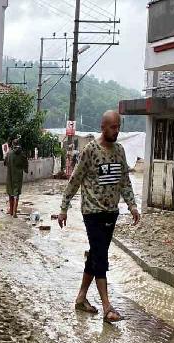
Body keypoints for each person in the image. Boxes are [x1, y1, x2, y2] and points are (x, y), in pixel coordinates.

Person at [57, 110, 140, 323]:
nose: (117, 130)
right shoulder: (90, 150)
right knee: (101, 256)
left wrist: (132, 206)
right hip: (92, 212)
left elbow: (124, 181)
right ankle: (107, 307)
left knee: (96, 255)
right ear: (103, 127)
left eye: (118, 126)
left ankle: (81, 297)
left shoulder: (120, 151)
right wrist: (64, 207)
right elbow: (75, 180)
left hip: (111, 212)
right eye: (113, 127)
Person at [4, 137, 28, 217]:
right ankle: (14, 212)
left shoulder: (9, 153)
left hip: (10, 176)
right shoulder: (22, 154)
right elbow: (26, 164)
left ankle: (11, 211)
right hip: (18, 176)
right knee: (16, 194)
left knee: (10, 193)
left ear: (13, 145)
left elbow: (5, 163)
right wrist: (25, 169)